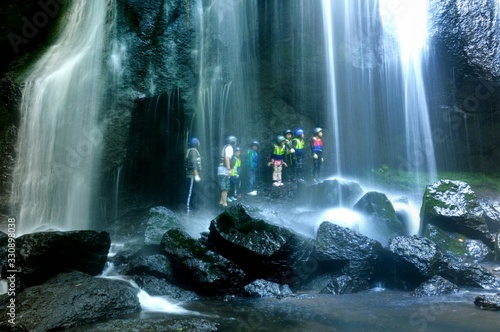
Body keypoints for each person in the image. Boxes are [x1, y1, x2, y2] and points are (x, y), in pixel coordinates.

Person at [218, 135, 237, 207]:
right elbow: (227, 158)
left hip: (222, 169)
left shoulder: (226, 147)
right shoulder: (229, 148)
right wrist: (229, 169)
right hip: (224, 169)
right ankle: (224, 204)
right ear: (233, 142)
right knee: (225, 188)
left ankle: (221, 202)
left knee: (225, 186)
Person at [185, 137, 202, 214]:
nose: (199, 143)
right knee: (189, 191)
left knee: (191, 191)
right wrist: (196, 174)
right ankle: (187, 208)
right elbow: (193, 163)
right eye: (198, 142)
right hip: (191, 174)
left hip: (191, 174)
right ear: (196, 143)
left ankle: (190, 206)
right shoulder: (193, 151)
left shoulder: (191, 151)